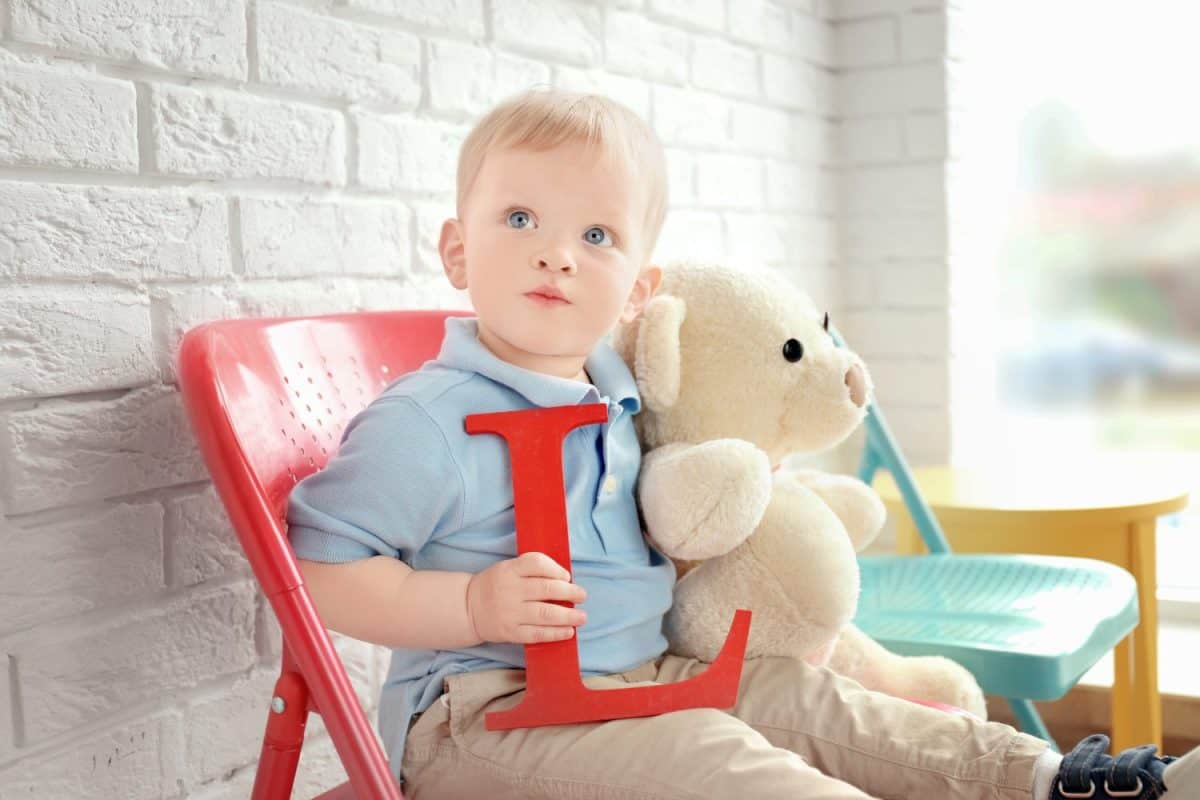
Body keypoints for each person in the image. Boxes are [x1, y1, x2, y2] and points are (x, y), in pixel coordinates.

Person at [286, 88, 1198, 799]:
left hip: (634, 675)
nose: (556, 254)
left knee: (812, 701)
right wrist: (474, 605)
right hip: (483, 721)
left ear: (638, 287)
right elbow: (321, 573)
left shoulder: (615, 389)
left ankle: (1054, 782)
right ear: (456, 250)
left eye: (594, 234)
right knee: (731, 768)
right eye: (520, 219)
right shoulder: (432, 415)